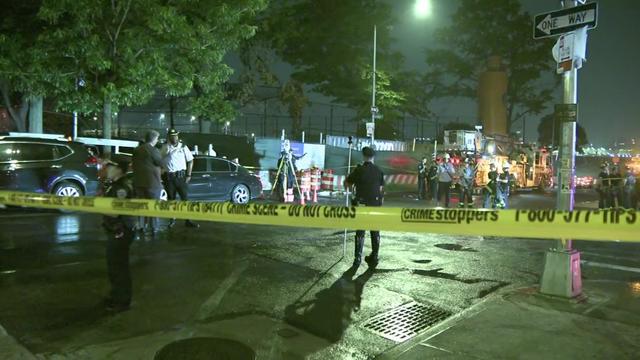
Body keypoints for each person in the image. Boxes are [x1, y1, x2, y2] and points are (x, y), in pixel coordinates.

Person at [101, 157, 136, 312]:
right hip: (117, 230)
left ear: (118, 169)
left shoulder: (121, 188)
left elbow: (115, 213)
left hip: (120, 231)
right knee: (115, 266)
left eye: (110, 167)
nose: (107, 169)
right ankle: (117, 295)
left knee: (118, 267)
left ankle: (122, 301)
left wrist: (98, 205)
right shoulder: (115, 185)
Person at [345, 147, 385, 268]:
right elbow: (381, 190)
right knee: (375, 231)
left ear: (363, 156)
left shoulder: (359, 170)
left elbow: (347, 184)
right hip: (375, 204)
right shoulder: (379, 171)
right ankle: (375, 256)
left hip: (362, 204)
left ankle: (357, 258)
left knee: (360, 231)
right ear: (373, 157)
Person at [161, 129, 199, 229]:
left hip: (181, 177)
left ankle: (188, 220)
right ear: (168, 137)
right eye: (172, 136)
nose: (174, 138)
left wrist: (188, 175)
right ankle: (172, 220)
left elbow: (190, 161)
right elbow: (159, 161)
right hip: (169, 178)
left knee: (185, 200)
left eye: (175, 136)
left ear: (178, 136)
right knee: (171, 200)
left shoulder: (183, 147)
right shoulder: (164, 148)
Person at [132, 130, 164, 237]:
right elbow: (160, 163)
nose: (157, 140)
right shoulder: (153, 150)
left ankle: (141, 226)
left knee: (141, 205)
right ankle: (154, 227)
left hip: (138, 182)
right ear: (154, 139)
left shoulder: (136, 150)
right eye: (157, 138)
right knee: (153, 205)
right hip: (152, 183)